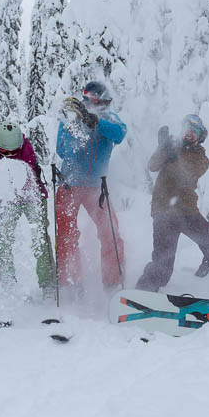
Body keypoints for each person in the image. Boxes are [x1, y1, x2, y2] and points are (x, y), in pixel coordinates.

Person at [136, 114, 209, 292]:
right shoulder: (171, 146)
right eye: (187, 130)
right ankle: (143, 292)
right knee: (162, 263)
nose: (189, 134)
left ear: (200, 136)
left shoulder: (201, 157)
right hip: (164, 212)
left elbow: (187, 174)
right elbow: (152, 165)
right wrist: (162, 148)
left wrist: (174, 157)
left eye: (194, 132)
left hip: (187, 211)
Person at [55, 81, 127, 291]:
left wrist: (96, 123)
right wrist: (79, 128)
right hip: (70, 184)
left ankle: (113, 282)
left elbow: (119, 134)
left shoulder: (109, 118)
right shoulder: (70, 118)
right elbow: (62, 149)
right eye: (98, 101)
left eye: (105, 102)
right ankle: (70, 281)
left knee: (110, 233)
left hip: (97, 187)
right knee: (66, 235)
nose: (102, 105)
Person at [0, 121, 54, 294]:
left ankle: (48, 283)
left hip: (32, 197)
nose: (12, 155)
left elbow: (29, 179)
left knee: (40, 240)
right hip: (8, 200)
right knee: (3, 241)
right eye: (6, 152)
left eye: (15, 151)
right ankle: (8, 283)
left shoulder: (26, 148)